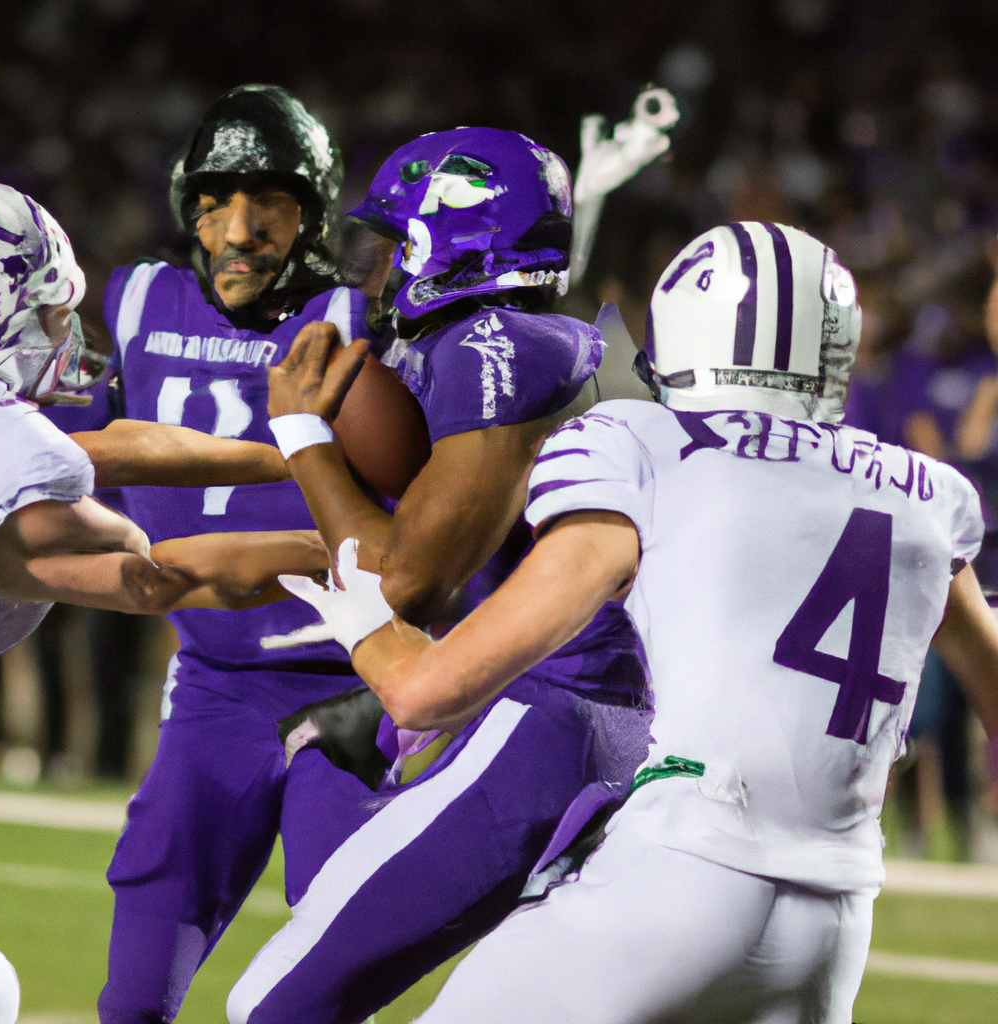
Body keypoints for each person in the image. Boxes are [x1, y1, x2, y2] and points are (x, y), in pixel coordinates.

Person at [291, 222, 998, 1024]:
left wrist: (362, 622)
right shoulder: (926, 494)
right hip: (836, 924)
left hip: (684, 873)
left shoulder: (649, 443)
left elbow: (424, 694)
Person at [225, 128, 652, 1024]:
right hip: (563, 696)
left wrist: (304, 437)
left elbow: (405, 584)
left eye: (394, 246)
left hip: (562, 712)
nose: (376, 274)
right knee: (331, 752)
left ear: (444, 244)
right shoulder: (540, 338)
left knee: (275, 1003)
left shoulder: (498, 345)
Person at [37, 85, 428, 1024]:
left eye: (272, 204)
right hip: (213, 682)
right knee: (131, 996)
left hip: (350, 682)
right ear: (188, 207)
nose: (241, 229)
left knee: (326, 983)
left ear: (313, 215)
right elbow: (78, 450)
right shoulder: (132, 299)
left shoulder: (360, 320)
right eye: (218, 201)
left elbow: (440, 503)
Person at [0, 174, 336, 668]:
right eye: (54, 311)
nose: (67, 331)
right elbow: (145, 579)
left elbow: (114, 449)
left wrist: (285, 462)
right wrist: (325, 549)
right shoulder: (14, 442)